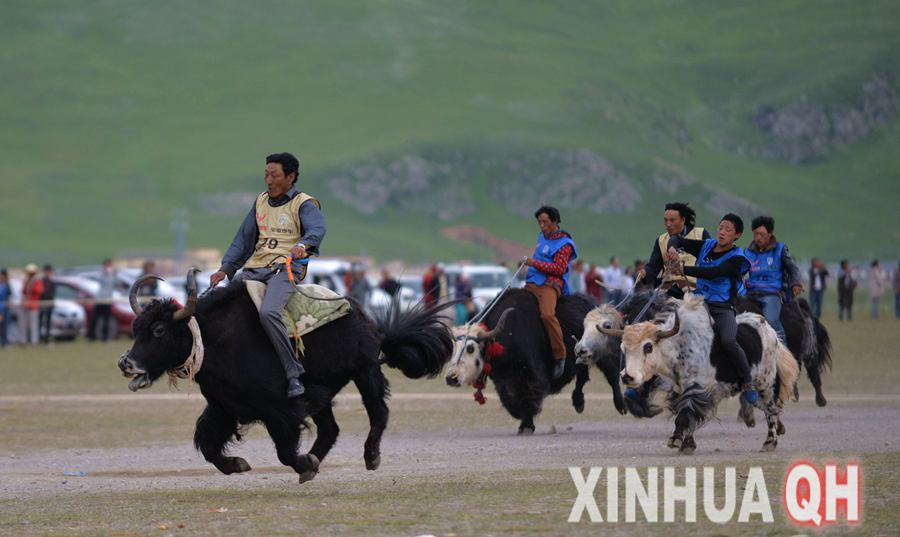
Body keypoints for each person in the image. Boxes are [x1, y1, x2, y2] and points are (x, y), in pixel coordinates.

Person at [209, 152, 326, 398]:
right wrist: (225, 269)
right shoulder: (260, 201)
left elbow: (317, 229)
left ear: (290, 177)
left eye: (274, 175)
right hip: (253, 269)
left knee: (269, 312)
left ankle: (293, 372)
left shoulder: (303, 203)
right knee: (219, 307)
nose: (268, 180)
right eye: (266, 174)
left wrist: (303, 245)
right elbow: (243, 239)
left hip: (285, 270)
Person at [668, 214, 756, 404]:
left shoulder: (738, 258)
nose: (722, 232)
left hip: (722, 307)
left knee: (729, 340)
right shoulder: (706, 245)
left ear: (737, 235)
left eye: (728, 229)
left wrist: (683, 269)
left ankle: (747, 382)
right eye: (721, 227)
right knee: (669, 328)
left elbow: (714, 273)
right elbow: (677, 238)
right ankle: (649, 381)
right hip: (699, 301)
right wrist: (672, 249)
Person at [522, 205, 578, 380]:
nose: (542, 225)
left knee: (547, 315)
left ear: (555, 221)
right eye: (539, 222)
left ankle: (560, 355)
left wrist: (533, 263)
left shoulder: (565, 244)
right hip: (532, 282)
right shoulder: (541, 237)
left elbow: (559, 269)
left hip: (550, 285)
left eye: (545, 222)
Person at [744, 216, 803, 343]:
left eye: (762, 234)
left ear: (770, 234)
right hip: (751, 292)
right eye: (755, 234)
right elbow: (739, 271)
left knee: (771, 320)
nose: (758, 238)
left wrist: (795, 283)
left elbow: (793, 268)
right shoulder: (747, 252)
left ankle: (783, 350)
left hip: (771, 294)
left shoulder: (780, 249)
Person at [637, 201, 710, 298]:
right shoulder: (661, 240)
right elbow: (653, 268)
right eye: (665, 220)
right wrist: (645, 273)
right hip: (666, 289)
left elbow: (710, 262)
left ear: (683, 220)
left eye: (672, 220)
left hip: (693, 289)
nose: (668, 224)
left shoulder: (700, 234)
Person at [90, 259, 117, 341]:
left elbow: (116, 283)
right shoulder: (101, 274)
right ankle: (91, 336)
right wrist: (104, 273)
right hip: (99, 300)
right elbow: (98, 279)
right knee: (95, 318)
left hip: (108, 300)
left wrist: (114, 274)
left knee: (106, 320)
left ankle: (104, 337)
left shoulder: (113, 275)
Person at [21, 264, 43, 346]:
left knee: (33, 325)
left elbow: (39, 291)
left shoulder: (37, 281)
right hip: (25, 305)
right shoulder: (26, 281)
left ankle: (34, 341)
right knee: (24, 325)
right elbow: (23, 291)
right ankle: (23, 341)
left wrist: (32, 284)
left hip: (33, 306)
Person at [38, 263, 56, 343]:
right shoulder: (41, 281)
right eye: (47, 271)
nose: (49, 273)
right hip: (42, 303)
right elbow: (41, 293)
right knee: (40, 321)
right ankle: (39, 337)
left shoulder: (52, 282)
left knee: (48, 321)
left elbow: (53, 294)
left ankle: (46, 338)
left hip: (49, 304)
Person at [0, 269, 11, 348]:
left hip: (5, 308)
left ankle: (5, 342)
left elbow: (9, 297)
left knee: (5, 326)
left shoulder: (7, 286)